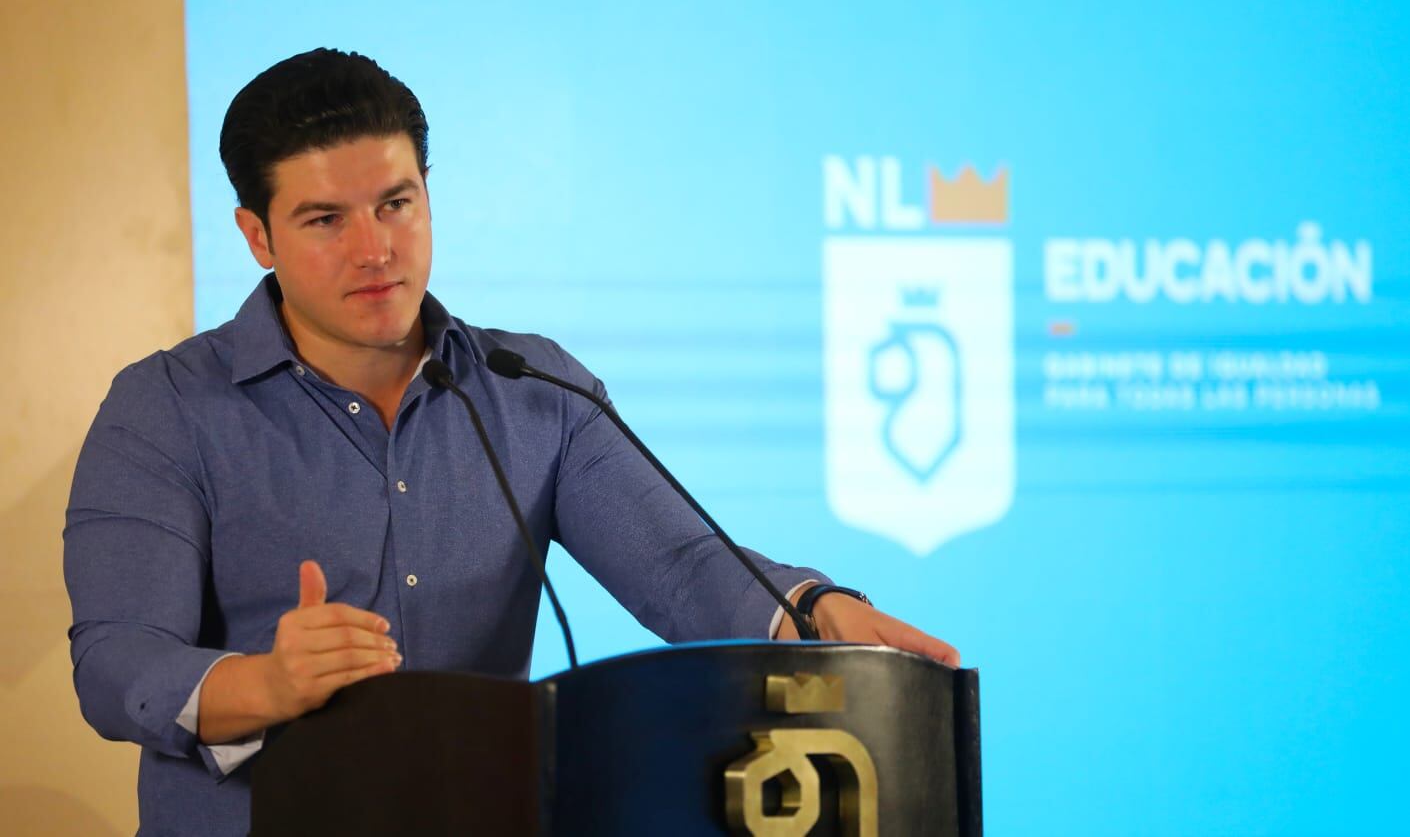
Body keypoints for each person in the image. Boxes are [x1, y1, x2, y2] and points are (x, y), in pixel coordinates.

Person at [63, 48, 960, 834]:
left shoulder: (535, 388)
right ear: (257, 235)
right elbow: (115, 662)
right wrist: (268, 685)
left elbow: (680, 565)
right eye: (325, 219)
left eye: (396, 203)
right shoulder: (165, 408)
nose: (376, 249)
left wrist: (809, 609)